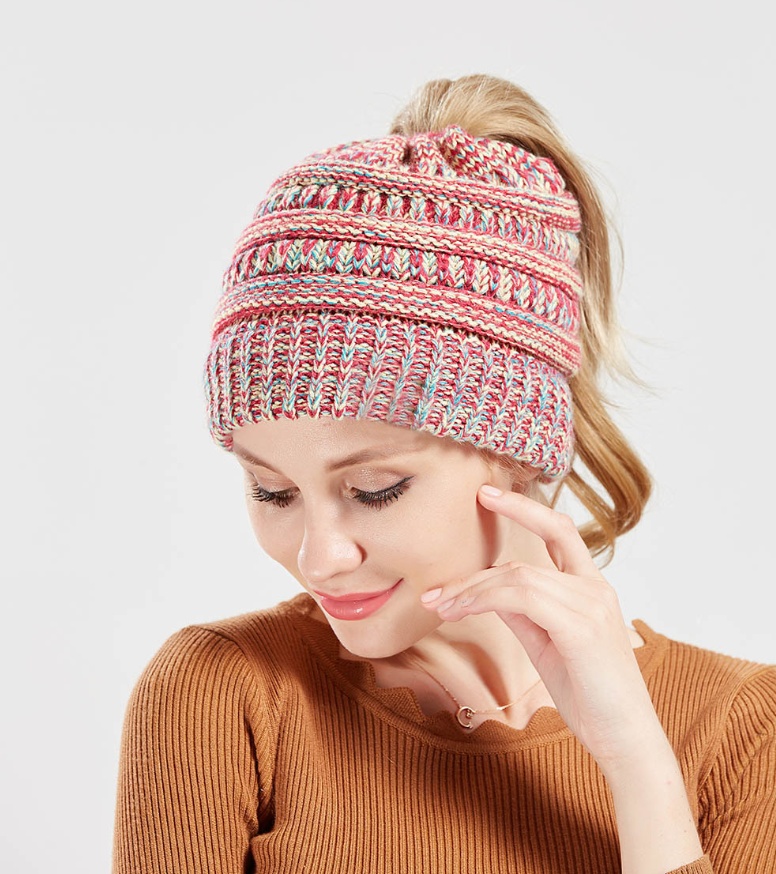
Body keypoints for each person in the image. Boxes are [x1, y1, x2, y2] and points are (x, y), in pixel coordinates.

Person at [112, 73, 776, 873]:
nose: (320, 557)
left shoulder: (744, 729)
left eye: (374, 490)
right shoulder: (224, 695)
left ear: (520, 446)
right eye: (273, 491)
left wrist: (636, 759)